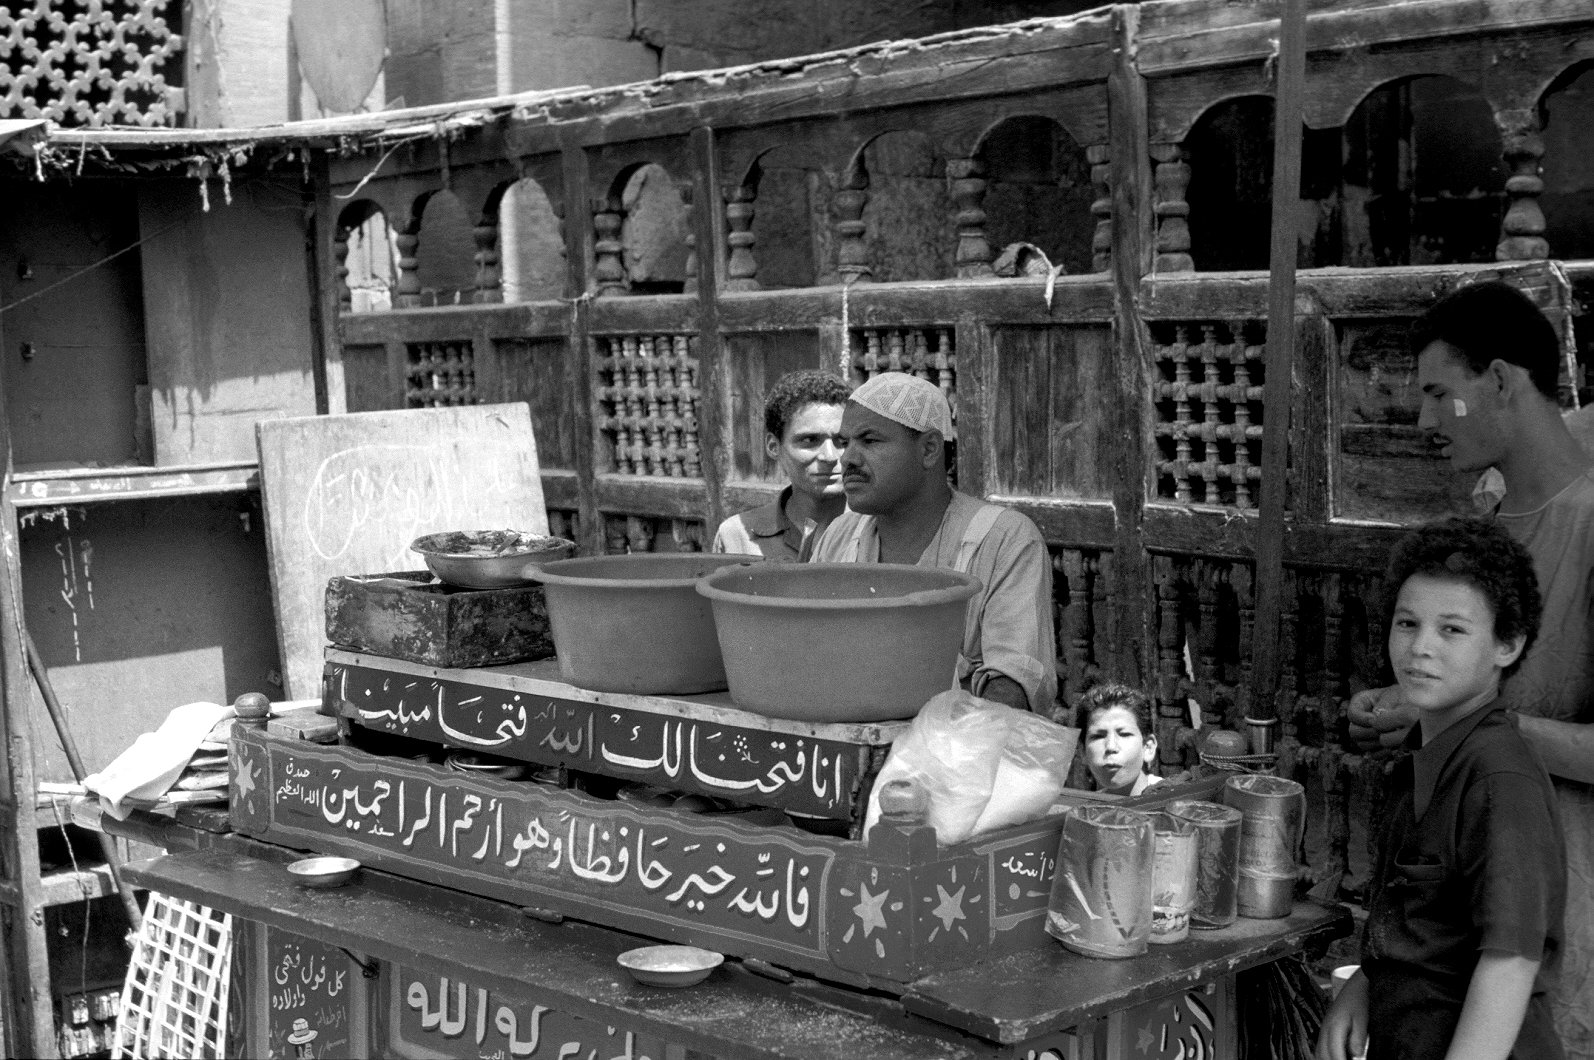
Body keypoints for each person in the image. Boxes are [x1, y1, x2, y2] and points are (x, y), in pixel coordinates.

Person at [1345, 281, 1594, 1058]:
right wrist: (1416, 705)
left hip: (1556, 921)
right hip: (1442, 938)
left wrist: (1474, 720)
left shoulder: (1589, 525)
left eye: (1436, 393)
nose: (1425, 421)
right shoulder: (1485, 524)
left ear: (1501, 381)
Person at [1320, 518, 1564, 1060]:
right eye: (1407, 623)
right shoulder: (1425, 757)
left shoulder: (1499, 779)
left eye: (1452, 630)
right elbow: (1420, 921)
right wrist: (1365, 982)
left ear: (1507, 645)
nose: (1420, 648)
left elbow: (1510, 960)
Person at [805, 371, 1057, 713]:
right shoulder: (838, 537)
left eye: (869, 441)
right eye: (845, 442)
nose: (847, 458)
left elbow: (1014, 683)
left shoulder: (1003, 540)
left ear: (929, 450)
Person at [712, 369, 850, 562]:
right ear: (773, 446)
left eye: (843, 441)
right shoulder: (738, 537)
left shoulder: (877, 530)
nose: (830, 456)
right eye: (809, 440)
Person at [1075, 682, 1163, 796]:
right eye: (1098, 736)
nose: (1111, 747)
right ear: (1083, 752)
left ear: (1148, 747)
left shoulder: (1175, 798)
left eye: (1124, 734)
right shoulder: (1084, 806)